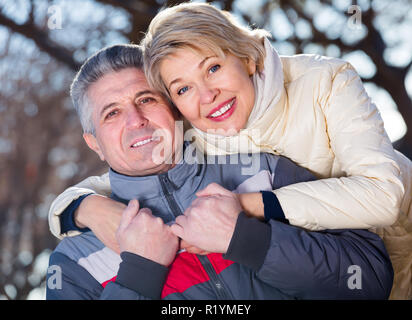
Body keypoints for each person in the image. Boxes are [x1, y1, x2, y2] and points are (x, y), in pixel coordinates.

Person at [48, 3, 412, 299]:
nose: (137, 120)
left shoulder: (276, 152)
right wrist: (86, 211)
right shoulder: (74, 260)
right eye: (111, 113)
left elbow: (371, 264)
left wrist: (245, 227)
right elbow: (137, 177)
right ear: (93, 142)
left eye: (146, 99)